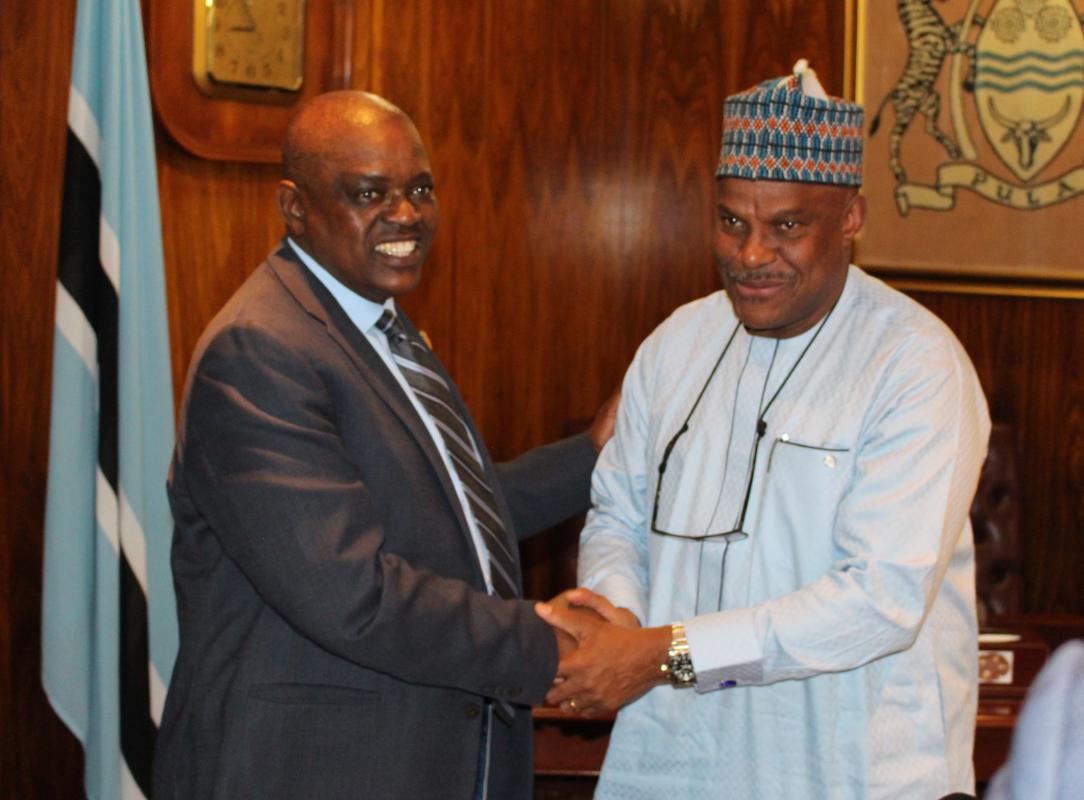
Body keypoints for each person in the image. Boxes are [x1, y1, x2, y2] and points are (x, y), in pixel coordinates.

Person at [537, 60, 991, 798]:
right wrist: (616, 612)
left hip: (852, 767)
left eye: (786, 227)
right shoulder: (675, 343)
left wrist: (659, 654)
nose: (750, 256)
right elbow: (618, 512)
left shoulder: (915, 364)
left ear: (850, 218)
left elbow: (878, 600)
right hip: (675, 758)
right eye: (731, 222)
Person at [153, 91, 615, 800]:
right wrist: (547, 643)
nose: (406, 216)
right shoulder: (261, 350)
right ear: (294, 207)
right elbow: (353, 595)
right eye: (369, 193)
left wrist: (593, 455)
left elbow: (449, 513)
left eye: (420, 189)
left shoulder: (382, 329)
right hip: (314, 771)